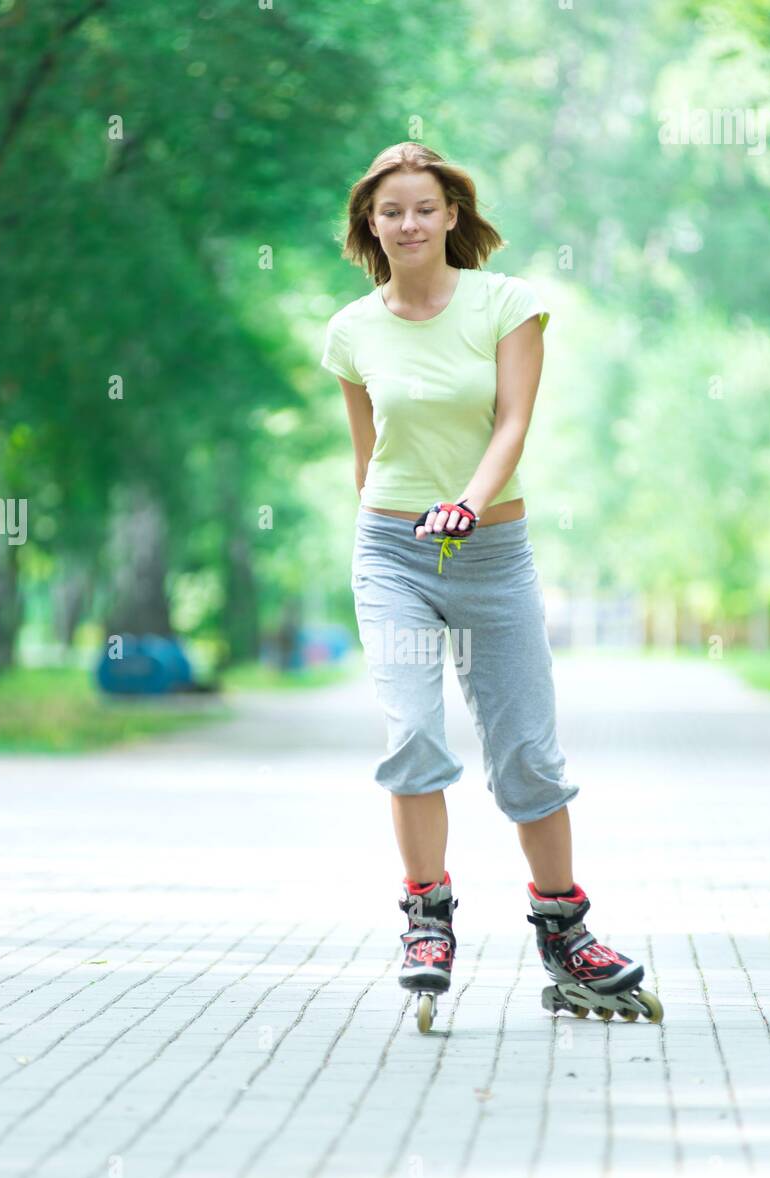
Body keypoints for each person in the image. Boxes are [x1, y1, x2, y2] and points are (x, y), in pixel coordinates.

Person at [320, 142, 659, 1026]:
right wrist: (395, 529)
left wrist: (468, 505)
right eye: (389, 211)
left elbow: (513, 422)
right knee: (412, 736)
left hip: (492, 551)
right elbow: (369, 460)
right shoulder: (352, 329)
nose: (407, 223)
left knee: (526, 754)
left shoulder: (506, 305)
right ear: (369, 223)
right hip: (392, 554)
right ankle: (425, 919)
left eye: (423, 208)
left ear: (452, 217)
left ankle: (566, 937)